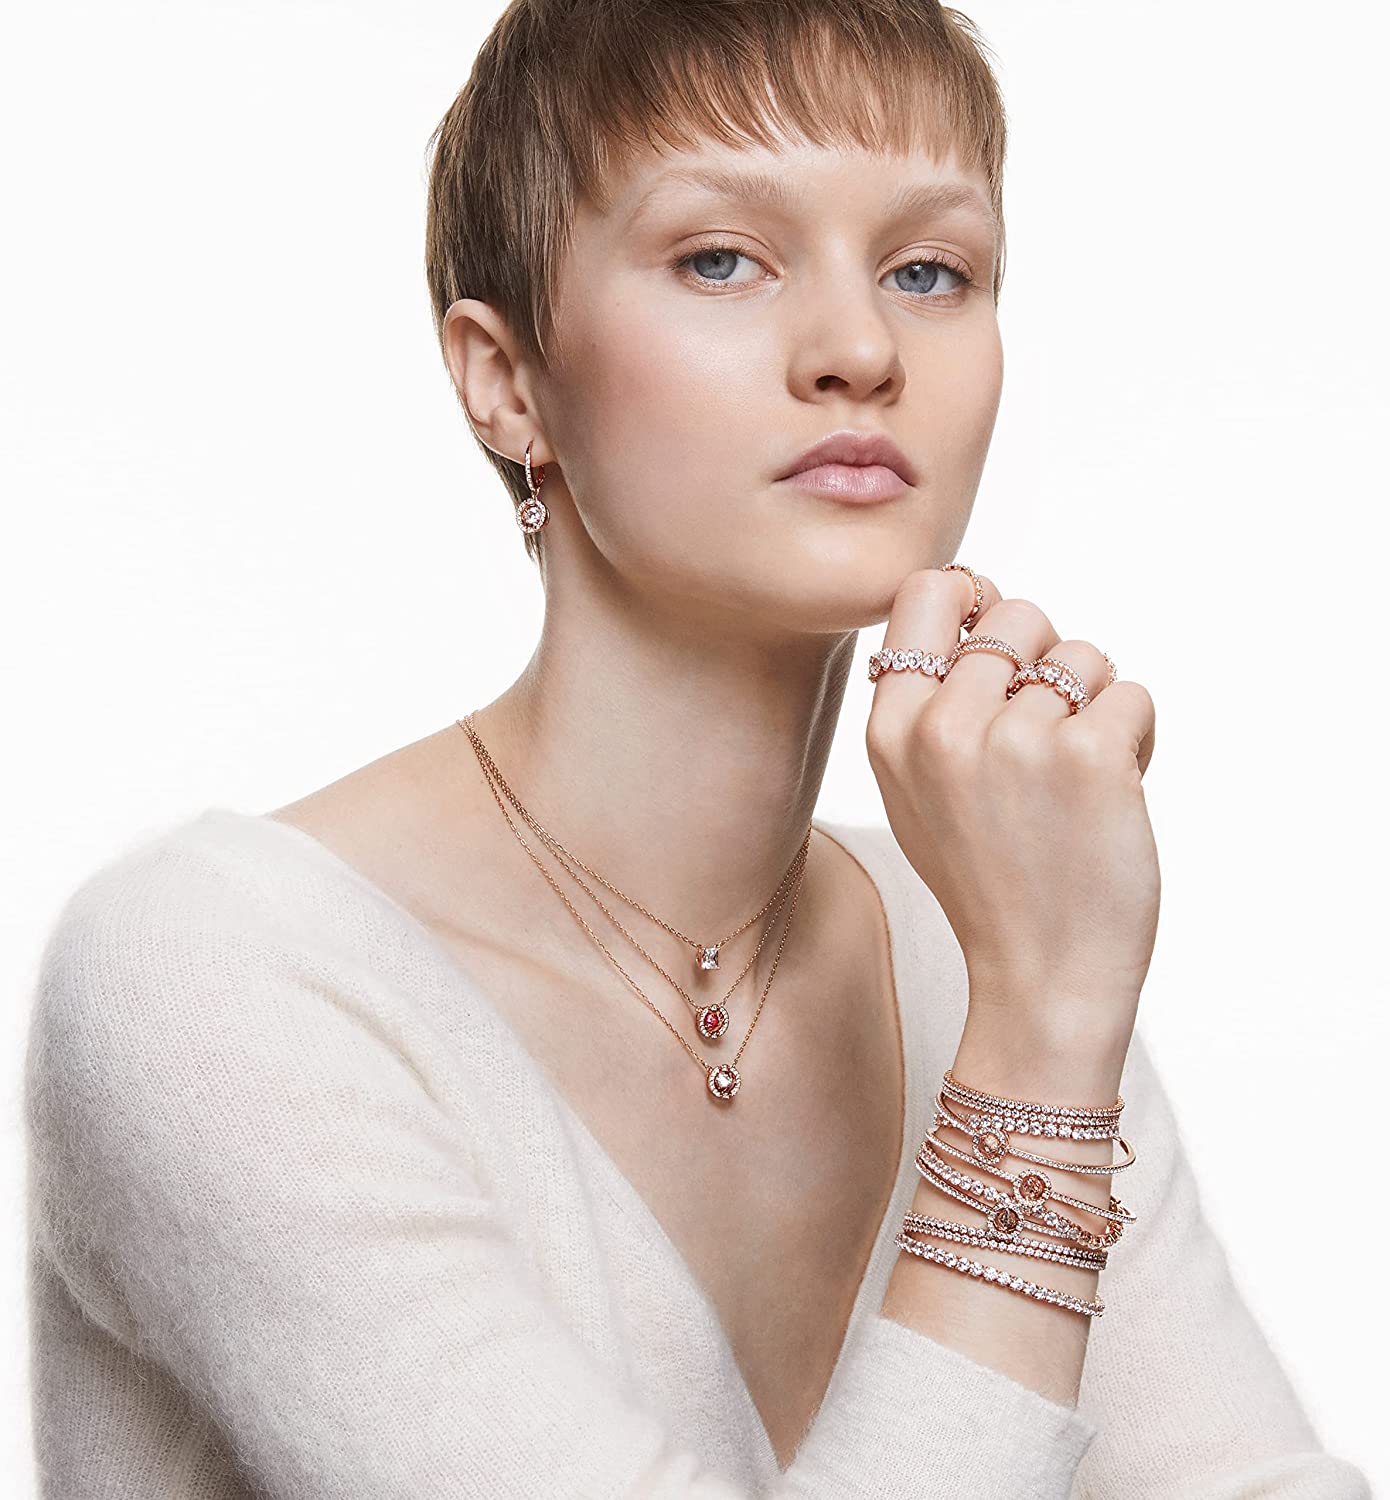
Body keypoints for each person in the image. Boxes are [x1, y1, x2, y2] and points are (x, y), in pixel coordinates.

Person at [22, 1, 1371, 1496]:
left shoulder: (968, 938)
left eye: (928, 271)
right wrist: (1037, 1065)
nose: (859, 349)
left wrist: (1039, 1009)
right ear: (505, 380)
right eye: (721, 258)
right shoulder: (216, 976)